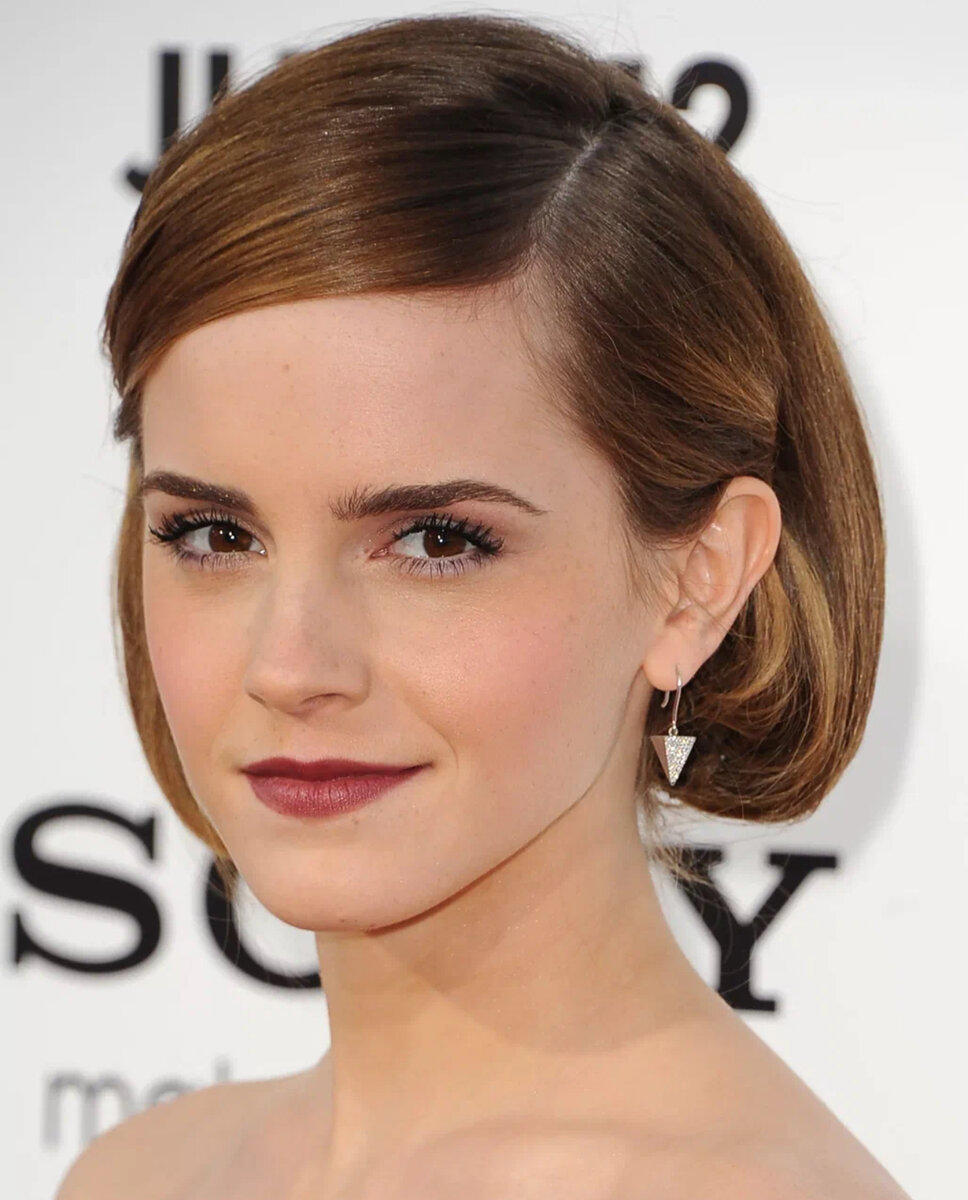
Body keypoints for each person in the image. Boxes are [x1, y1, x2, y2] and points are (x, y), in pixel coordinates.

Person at [57, 12, 909, 1199]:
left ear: (699, 577)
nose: (288, 666)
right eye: (214, 534)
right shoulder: (138, 1174)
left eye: (436, 542)